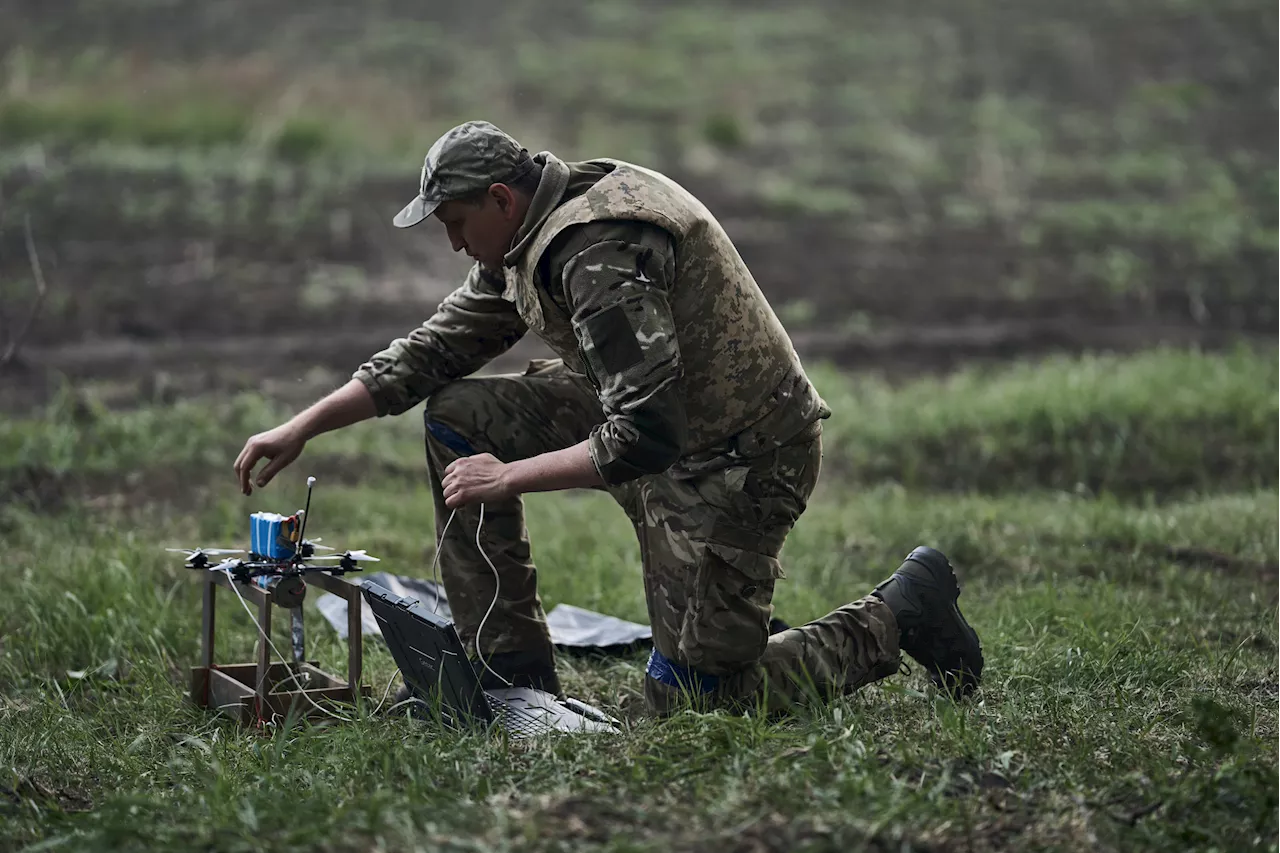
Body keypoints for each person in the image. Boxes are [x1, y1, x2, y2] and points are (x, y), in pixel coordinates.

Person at [233, 120, 983, 715]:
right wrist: (303, 425)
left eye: (457, 222)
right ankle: (506, 671)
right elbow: (432, 353)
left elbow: (645, 433)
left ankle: (895, 614)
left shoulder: (595, 251)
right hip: (655, 427)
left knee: (697, 701)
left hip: (737, 459)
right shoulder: (528, 234)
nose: (455, 243)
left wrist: (510, 477)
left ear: (501, 197)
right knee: (459, 412)